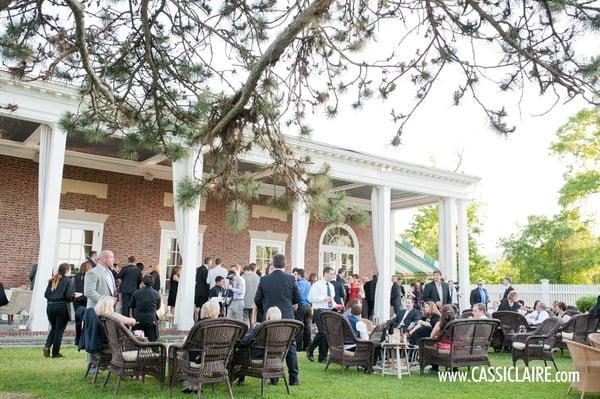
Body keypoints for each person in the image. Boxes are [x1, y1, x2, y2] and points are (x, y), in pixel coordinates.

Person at [253, 253, 301, 386]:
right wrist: (289, 303)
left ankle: (273, 377)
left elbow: (257, 299)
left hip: (270, 317)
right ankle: (294, 378)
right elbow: (298, 298)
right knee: (290, 345)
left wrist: (265, 310)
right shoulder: (291, 279)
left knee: (271, 344)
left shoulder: (264, 279)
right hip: (286, 316)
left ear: (272, 264)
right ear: (285, 264)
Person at [236, 306, 283, 386]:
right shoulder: (284, 330)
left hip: (257, 354)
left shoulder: (260, 327)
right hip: (275, 355)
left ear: (267, 317)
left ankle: (240, 379)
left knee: (241, 351)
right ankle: (274, 379)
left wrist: (238, 342)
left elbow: (245, 341)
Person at [306, 266, 340, 364]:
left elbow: (331, 299)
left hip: (329, 311)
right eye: (331, 273)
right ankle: (310, 348)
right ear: (325, 273)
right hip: (319, 310)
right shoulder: (317, 284)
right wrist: (323, 299)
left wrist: (336, 305)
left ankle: (322, 357)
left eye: (333, 274)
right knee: (323, 332)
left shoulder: (331, 286)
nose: (333, 275)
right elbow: (310, 298)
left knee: (327, 334)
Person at [43, 263, 75, 358]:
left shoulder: (52, 280)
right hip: (61, 307)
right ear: (67, 270)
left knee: (54, 328)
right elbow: (69, 296)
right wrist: (74, 297)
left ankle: (47, 346)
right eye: (70, 270)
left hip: (50, 307)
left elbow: (46, 294)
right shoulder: (68, 281)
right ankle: (55, 353)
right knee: (59, 331)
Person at [130, 275, 161, 341]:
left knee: (137, 341)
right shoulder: (157, 294)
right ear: (153, 283)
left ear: (143, 282)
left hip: (138, 320)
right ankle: (154, 351)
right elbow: (158, 307)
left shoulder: (136, 293)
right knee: (153, 342)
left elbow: (131, 306)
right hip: (151, 320)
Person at [429, 304, 456, 373]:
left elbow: (431, 336)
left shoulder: (439, 324)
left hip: (445, 348)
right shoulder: (457, 324)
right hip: (457, 347)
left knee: (430, 346)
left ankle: (434, 367)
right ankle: (455, 368)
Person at [73, 261, 92, 346]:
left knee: (78, 321)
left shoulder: (75, 277)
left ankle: (77, 339)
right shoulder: (90, 276)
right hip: (86, 299)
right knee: (87, 320)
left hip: (76, 300)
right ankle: (84, 339)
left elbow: (72, 287)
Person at [293, 268, 312, 351]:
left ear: (299, 275)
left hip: (301, 306)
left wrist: (295, 303)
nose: (295, 276)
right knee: (307, 327)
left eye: (296, 274)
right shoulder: (309, 284)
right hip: (308, 306)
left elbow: (298, 295)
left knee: (300, 326)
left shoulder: (298, 283)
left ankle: (298, 347)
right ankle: (307, 346)